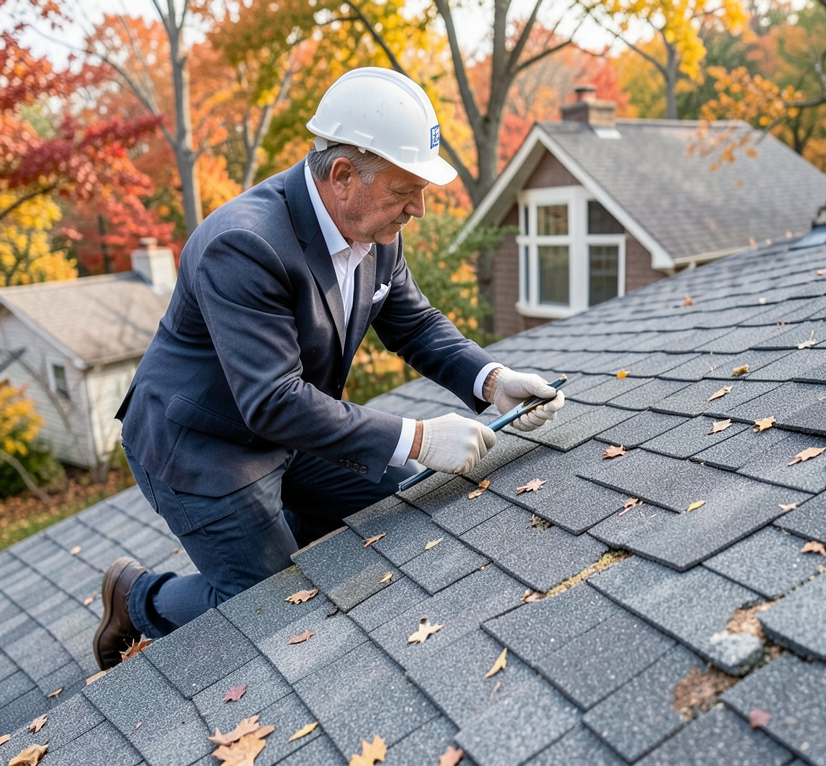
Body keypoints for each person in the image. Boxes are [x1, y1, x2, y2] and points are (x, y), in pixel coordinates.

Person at [94, 68, 564, 670]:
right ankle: (137, 598)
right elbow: (271, 400)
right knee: (269, 604)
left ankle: (280, 528)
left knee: (400, 499)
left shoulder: (376, 230)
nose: (418, 209)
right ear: (343, 176)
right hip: (202, 446)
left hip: (294, 430)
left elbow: (414, 324)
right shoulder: (243, 245)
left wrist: (492, 380)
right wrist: (419, 436)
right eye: (405, 191)